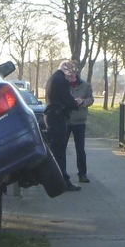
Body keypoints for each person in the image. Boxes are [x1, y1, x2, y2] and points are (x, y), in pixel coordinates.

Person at [45, 60, 84, 191]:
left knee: (56, 150)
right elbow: (67, 100)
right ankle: (63, 182)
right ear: (65, 70)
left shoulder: (53, 78)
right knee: (59, 151)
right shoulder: (61, 80)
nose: (71, 76)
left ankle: (58, 181)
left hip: (52, 117)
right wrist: (76, 102)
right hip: (58, 118)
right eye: (70, 73)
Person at [67, 69, 94, 183]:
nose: (71, 74)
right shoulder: (63, 84)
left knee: (80, 149)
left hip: (79, 121)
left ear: (76, 73)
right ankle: (61, 174)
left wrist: (82, 102)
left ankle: (82, 174)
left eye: (73, 72)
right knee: (61, 148)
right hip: (66, 120)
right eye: (69, 72)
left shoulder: (86, 85)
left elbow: (91, 99)